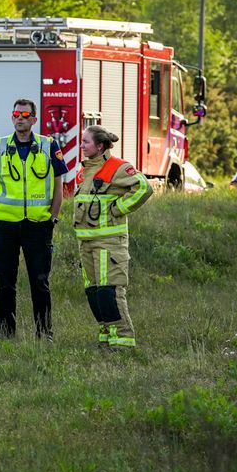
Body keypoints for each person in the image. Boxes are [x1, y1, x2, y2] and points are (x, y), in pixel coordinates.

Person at [0, 98, 67, 340]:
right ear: (12, 117)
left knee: (40, 282)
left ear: (34, 120)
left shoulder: (49, 146)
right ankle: (6, 334)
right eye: (17, 114)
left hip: (38, 226)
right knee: (6, 283)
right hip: (4, 226)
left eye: (25, 115)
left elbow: (59, 186)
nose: (20, 118)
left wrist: (53, 217)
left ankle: (44, 333)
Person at [73, 125, 152, 349]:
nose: (81, 146)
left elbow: (144, 188)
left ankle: (123, 343)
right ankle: (106, 338)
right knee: (94, 293)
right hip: (86, 242)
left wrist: (118, 209)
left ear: (99, 146)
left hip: (109, 242)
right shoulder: (84, 171)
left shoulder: (118, 167)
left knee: (110, 292)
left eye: (85, 142)